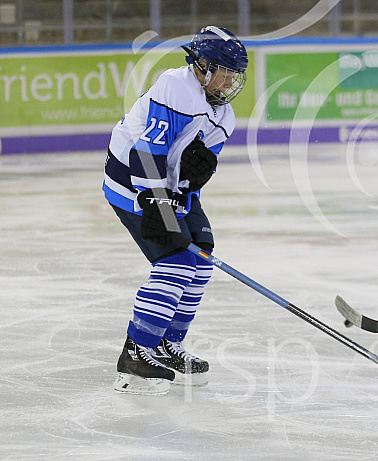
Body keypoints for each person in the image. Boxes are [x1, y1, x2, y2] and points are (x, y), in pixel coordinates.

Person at [103, 26, 248, 395]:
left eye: (236, 75)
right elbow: (146, 152)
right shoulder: (176, 87)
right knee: (175, 262)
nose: (231, 82)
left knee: (201, 255)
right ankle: (137, 351)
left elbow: (196, 170)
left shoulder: (224, 116)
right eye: (225, 72)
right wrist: (155, 199)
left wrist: (193, 180)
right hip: (132, 180)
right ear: (202, 65)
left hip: (166, 184)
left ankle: (167, 344)